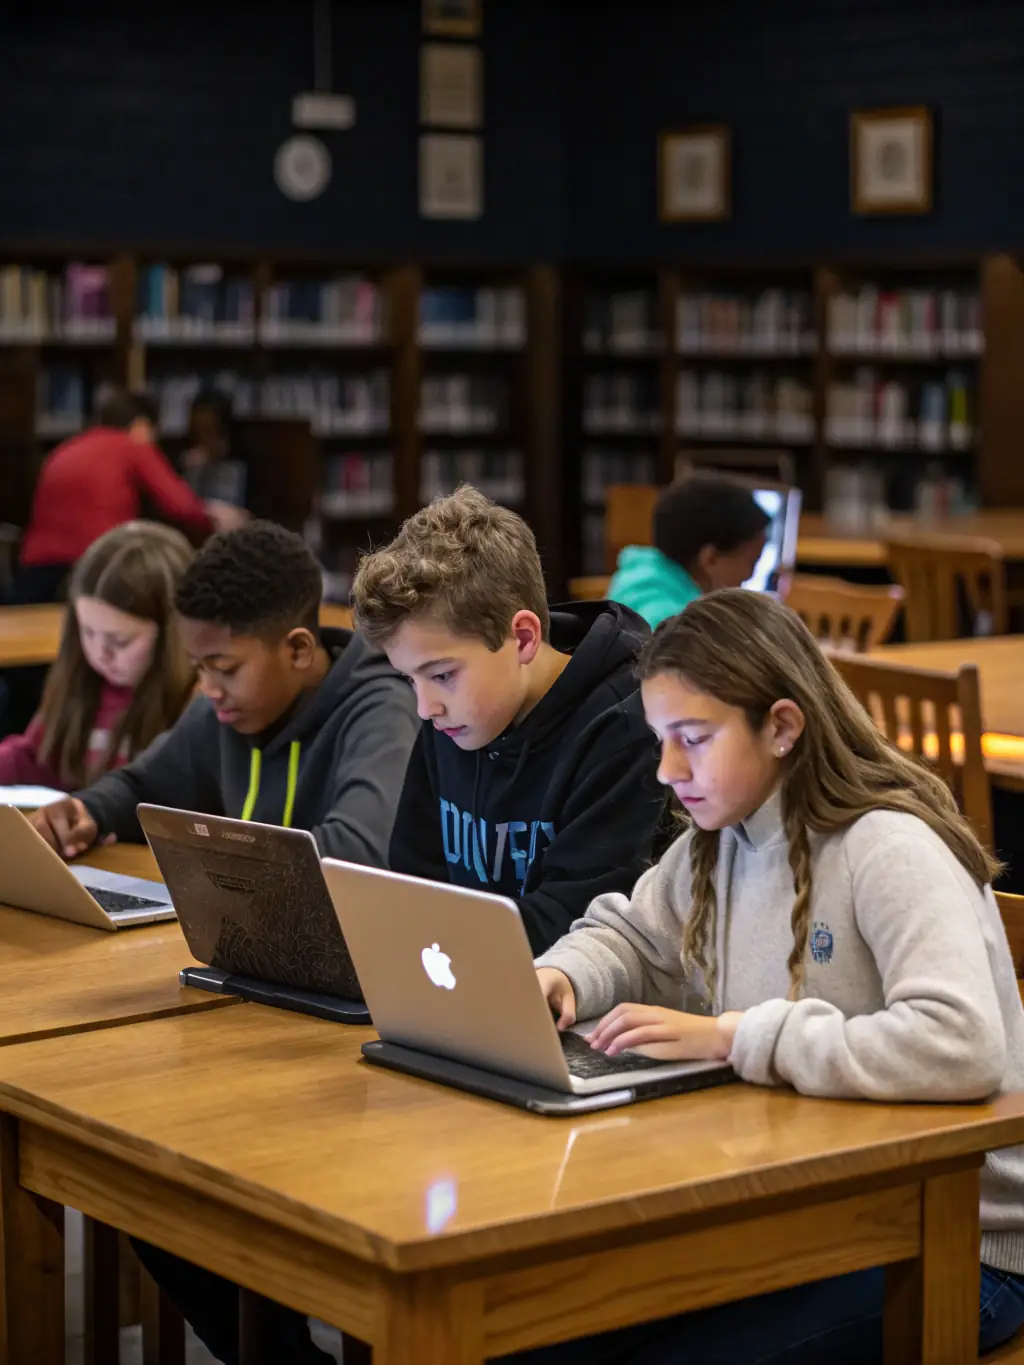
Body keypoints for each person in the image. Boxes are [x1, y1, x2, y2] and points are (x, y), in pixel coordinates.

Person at [529, 589, 1024, 1364]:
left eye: (692, 738)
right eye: (662, 739)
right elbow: (631, 934)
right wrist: (561, 975)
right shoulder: (719, 833)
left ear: (783, 726)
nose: (667, 769)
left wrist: (737, 1034)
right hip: (814, 1206)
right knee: (553, 1328)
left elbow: (962, 1043)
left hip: (961, 1243)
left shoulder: (888, 847)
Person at [352, 484, 668, 957]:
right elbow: (415, 879)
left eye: (440, 675)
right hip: (466, 988)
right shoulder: (455, 715)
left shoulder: (626, 726)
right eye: (409, 680)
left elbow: (578, 923)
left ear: (522, 638)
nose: (425, 707)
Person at [31, 519, 419, 866]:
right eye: (199, 666)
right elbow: (142, 787)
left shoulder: (381, 708)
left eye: (226, 668)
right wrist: (88, 812)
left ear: (298, 650)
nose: (208, 687)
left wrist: (214, 859)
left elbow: (355, 853)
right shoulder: (226, 708)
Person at [0, 522, 194, 791]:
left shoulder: (199, 705)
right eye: (87, 631)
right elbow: (35, 758)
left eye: (119, 640)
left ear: (172, 635)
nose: (101, 653)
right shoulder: (80, 683)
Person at [15, 388, 246, 606]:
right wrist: (218, 520)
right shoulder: (133, 446)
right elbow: (181, 507)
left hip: (37, 566)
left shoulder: (67, 448)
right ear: (141, 425)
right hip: (98, 563)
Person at [606, 472, 771, 628]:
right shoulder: (676, 628)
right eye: (752, 561)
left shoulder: (639, 577)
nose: (750, 575)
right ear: (710, 559)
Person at [182, 387, 248, 509]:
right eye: (196, 431)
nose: (201, 439)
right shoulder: (186, 460)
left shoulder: (240, 466)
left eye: (208, 431)